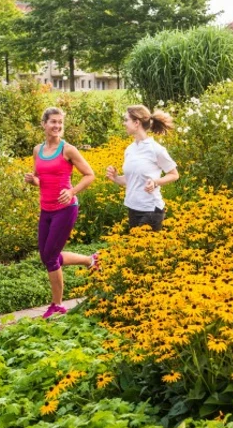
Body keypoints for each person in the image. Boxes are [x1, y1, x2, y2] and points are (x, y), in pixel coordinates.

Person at [24, 107, 99, 319]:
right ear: (44, 124)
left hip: (65, 209)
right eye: (53, 122)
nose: (57, 126)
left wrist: (72, 191)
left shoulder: (68, 150)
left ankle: (57, 305)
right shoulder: (38, 150)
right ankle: (90, 261)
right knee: (47, 256)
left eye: (60, 123)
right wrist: (33, 181)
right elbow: (41, 179)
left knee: (49, 258)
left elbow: (89, 174)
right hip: (45, 209)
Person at [105, 105, 179, 231]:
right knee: (136, 249)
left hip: (151, 210)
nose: (124, 123)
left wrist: (155, 182)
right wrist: (115, 178)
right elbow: (130, 180)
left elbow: (174, 174)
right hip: (133, 208)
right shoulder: (130, 149)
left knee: (147, 249)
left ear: (136, 122)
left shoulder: (156, 149)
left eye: (126, 120)